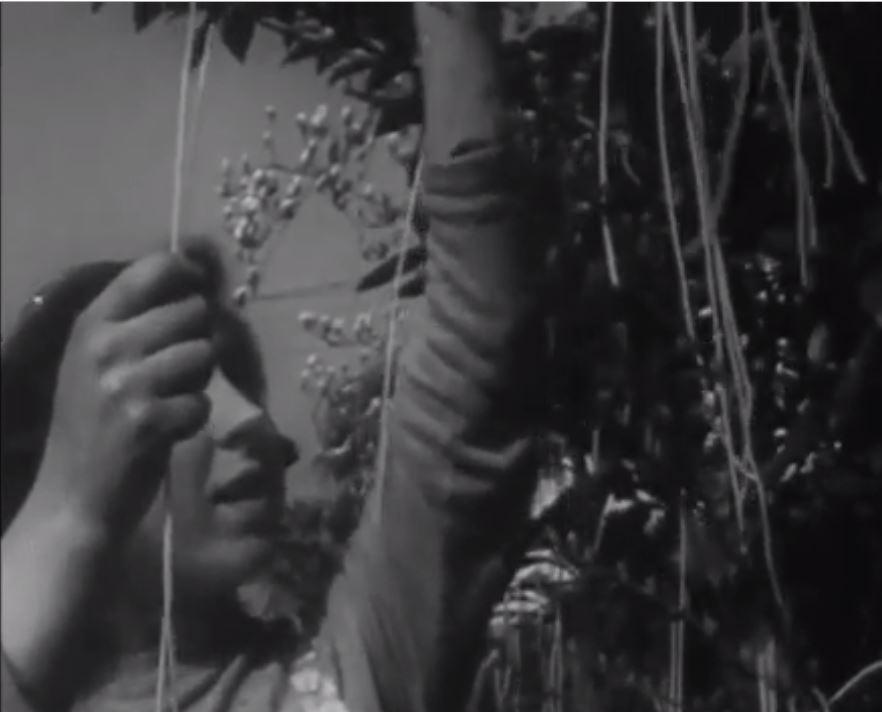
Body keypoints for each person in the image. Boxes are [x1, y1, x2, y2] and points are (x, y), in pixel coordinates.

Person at [1, 4, 547, 711]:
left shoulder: (340, 685)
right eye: (182, 387)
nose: (257, 424)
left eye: (247, 387)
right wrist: (67, 517)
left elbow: (477, 353)